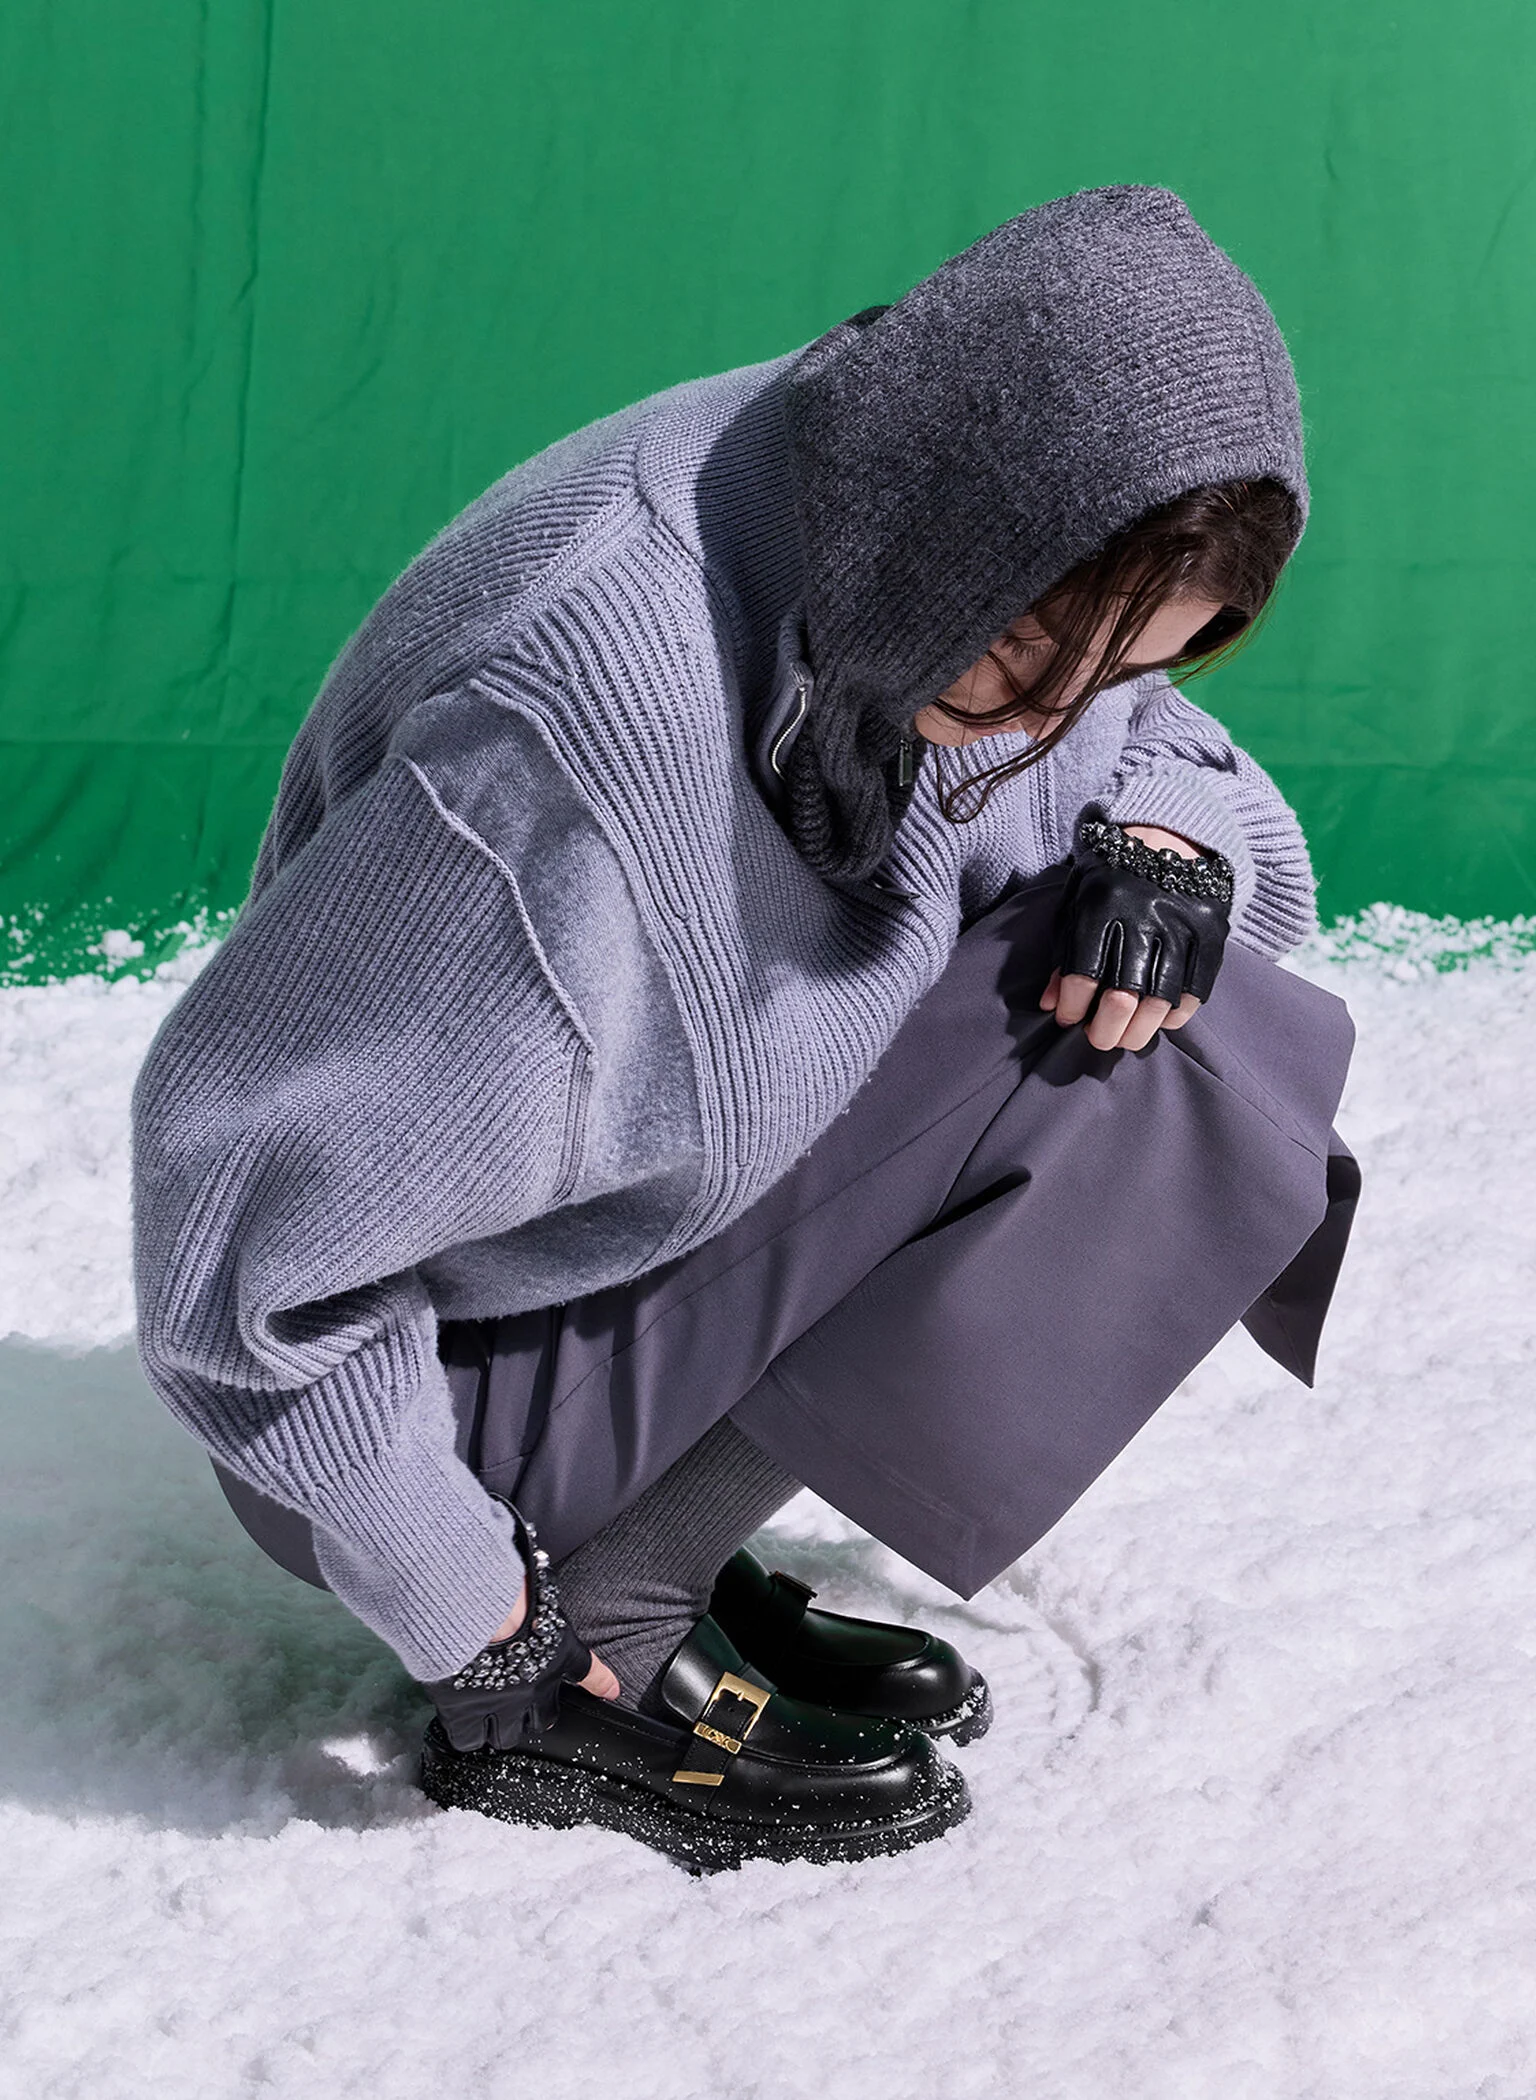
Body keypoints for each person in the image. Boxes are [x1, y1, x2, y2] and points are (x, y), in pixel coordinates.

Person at [131, 184, 1359, 1872]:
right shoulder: (572, 738)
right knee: (1139, 1076)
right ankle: (612, 1605)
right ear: (970, 527)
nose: (1046, 724)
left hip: (603, 1248)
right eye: (1025, 657)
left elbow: (1160, 770)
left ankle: (657, 1534)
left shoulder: (896, 499)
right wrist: (481, 1622)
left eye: (1118, 677)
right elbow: (236, 1254)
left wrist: (1166, 841)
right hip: (415, 1403)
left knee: (1160, 981)